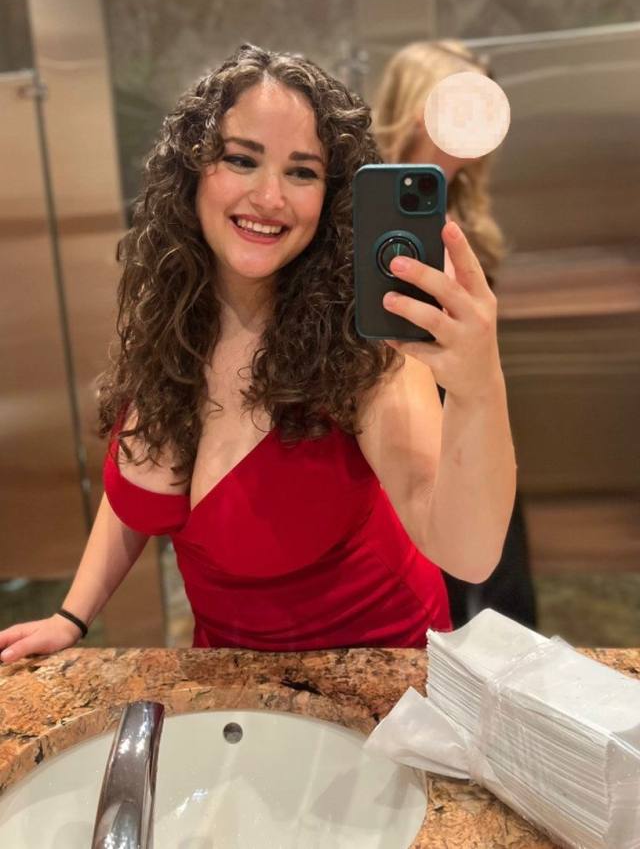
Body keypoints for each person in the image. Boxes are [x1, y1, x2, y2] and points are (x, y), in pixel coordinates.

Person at [0, 43, 515, 661]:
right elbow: (140, 478)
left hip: (375, 675)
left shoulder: (366, 351)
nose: (270, 197)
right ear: (192, 171)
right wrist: (72, 615)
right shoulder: (169, 315)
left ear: (330, 197)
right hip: (225, 669)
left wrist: (480, 387)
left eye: (302, 172)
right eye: (242, 160)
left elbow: (467, 553)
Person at [373, 39, 537, 629]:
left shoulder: (466, 209)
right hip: (395, 413)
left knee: (502, 574)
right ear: (420, 108)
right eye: (462, 104)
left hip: (472, 401)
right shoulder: (361, 203)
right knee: (429, 582)